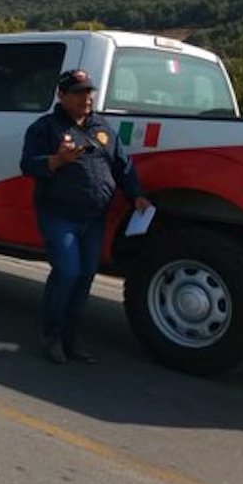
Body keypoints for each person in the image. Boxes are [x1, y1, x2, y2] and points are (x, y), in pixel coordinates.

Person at [20, 68, 152, 365]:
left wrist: (137, 194)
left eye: (89, 92)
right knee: (67, 272)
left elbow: (123, 165)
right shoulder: (45, 128)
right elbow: (28, 165)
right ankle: (52, 336)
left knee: (84, 276)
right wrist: (57, 160)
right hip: (58, 214)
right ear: (62, 95)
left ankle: (71, 337)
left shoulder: (102, 127)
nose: (87, 98)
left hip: (94, 218)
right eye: (79, 93)